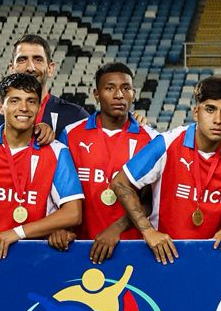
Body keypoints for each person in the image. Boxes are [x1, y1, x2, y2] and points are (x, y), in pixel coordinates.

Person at [113, 76, 221, 263]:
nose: (217, 120)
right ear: (196, 112)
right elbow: (120, 182)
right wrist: (148, 231)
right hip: (164, 256)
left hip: (214, 257)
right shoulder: (167, 143)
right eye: (210, 109)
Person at [0, 72, 84, 261]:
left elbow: (73, 213)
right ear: (1, 107)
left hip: (36, 258)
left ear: (39, 107)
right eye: (14, 101)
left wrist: (17, 232)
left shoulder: (57, 151)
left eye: (31, 101)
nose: (23, 108)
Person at [57, 63, 153, 261]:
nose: (119, 94)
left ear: (133, 94)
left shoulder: (150, 139)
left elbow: (149, 201)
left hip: (132, 247)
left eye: (125, 88)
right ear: (96, 94)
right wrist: (60, 227)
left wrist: (115, 229)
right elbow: (58, 193)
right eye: (110, 88)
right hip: (79, 246)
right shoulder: (71, 134)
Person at [0, 34, 89, 142]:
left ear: (50, 69)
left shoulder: (75, 117)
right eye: (22, 60)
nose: (30, 68)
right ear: (11, 69)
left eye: (38, 60)